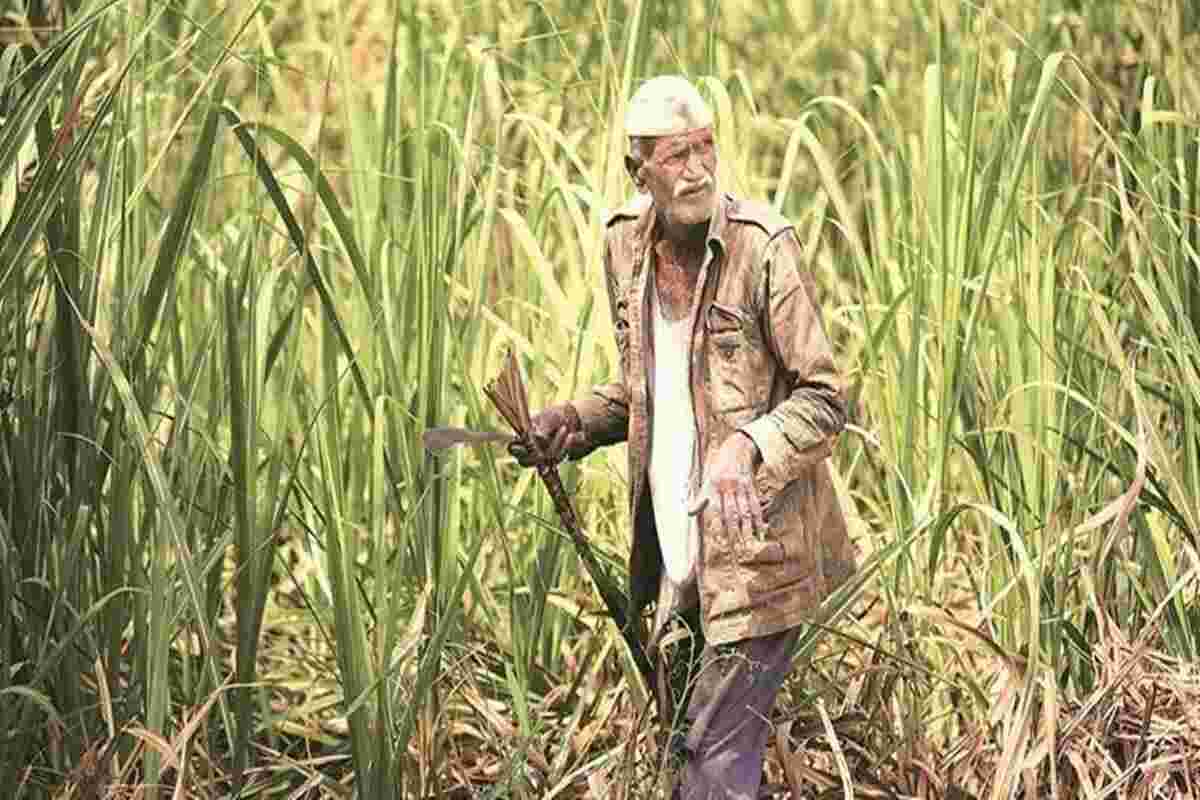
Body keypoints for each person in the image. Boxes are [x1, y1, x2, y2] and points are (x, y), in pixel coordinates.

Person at [510, 75, 857, 799]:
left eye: (706, 149)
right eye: (676, 157)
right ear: (640, 171)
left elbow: (826, 399)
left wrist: (749, 444)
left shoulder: (763, 251)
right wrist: (572, 422)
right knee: (690, 752)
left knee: (711, 761)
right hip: (677, 553)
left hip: (757, 559)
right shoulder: (623, 249)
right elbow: (649, 391)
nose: (698, 170)